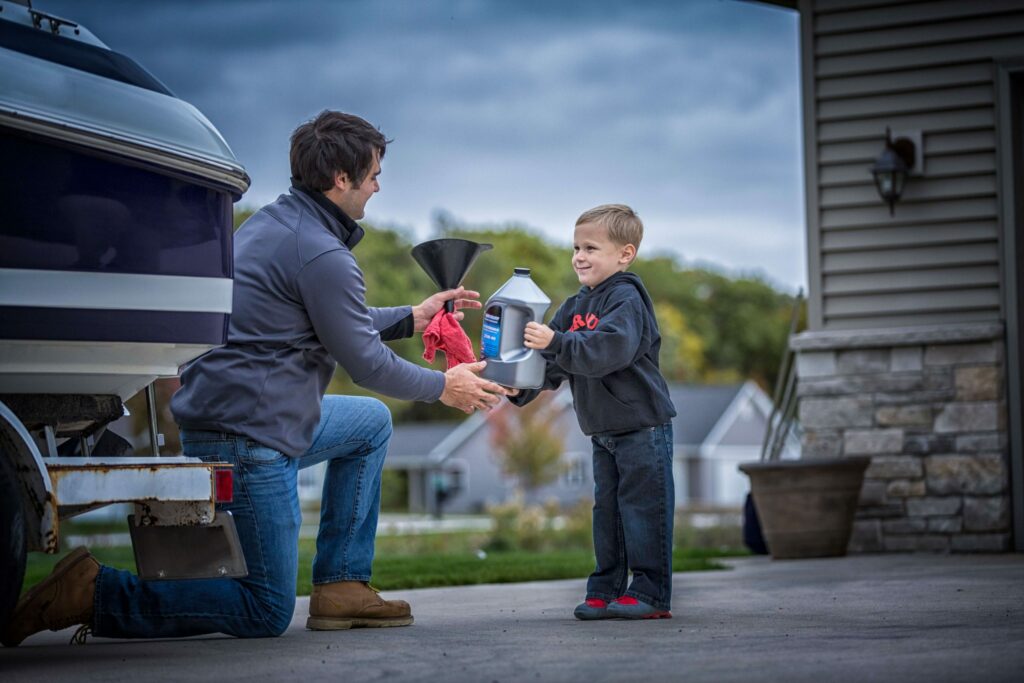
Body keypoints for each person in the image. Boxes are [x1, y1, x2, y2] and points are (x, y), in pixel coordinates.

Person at [2, 110, 512, 647]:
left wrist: (413, 316)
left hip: (248, 416)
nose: (378, 184)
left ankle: (341, 585)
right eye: (373, 174)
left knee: (369, 425)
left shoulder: (276, 224)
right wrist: (443, 387)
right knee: (264, 608)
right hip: (249, 437)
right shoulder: (320, 252)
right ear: (341, 178)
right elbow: (365, 363)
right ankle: (94, 591)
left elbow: (335, 320)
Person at [508, 204, 676, 620]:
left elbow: (607, 351)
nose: (579, 256)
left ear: (625, 254)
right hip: (602, 430)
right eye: (576, 247)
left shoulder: (626, 299)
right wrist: (521, 388)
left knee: (642, 511)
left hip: (641, 426)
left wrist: (555, 341)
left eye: (591, 248)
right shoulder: (574, 305)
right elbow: (557, 363)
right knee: (609, 515)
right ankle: (604, 590)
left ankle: (650, 594)